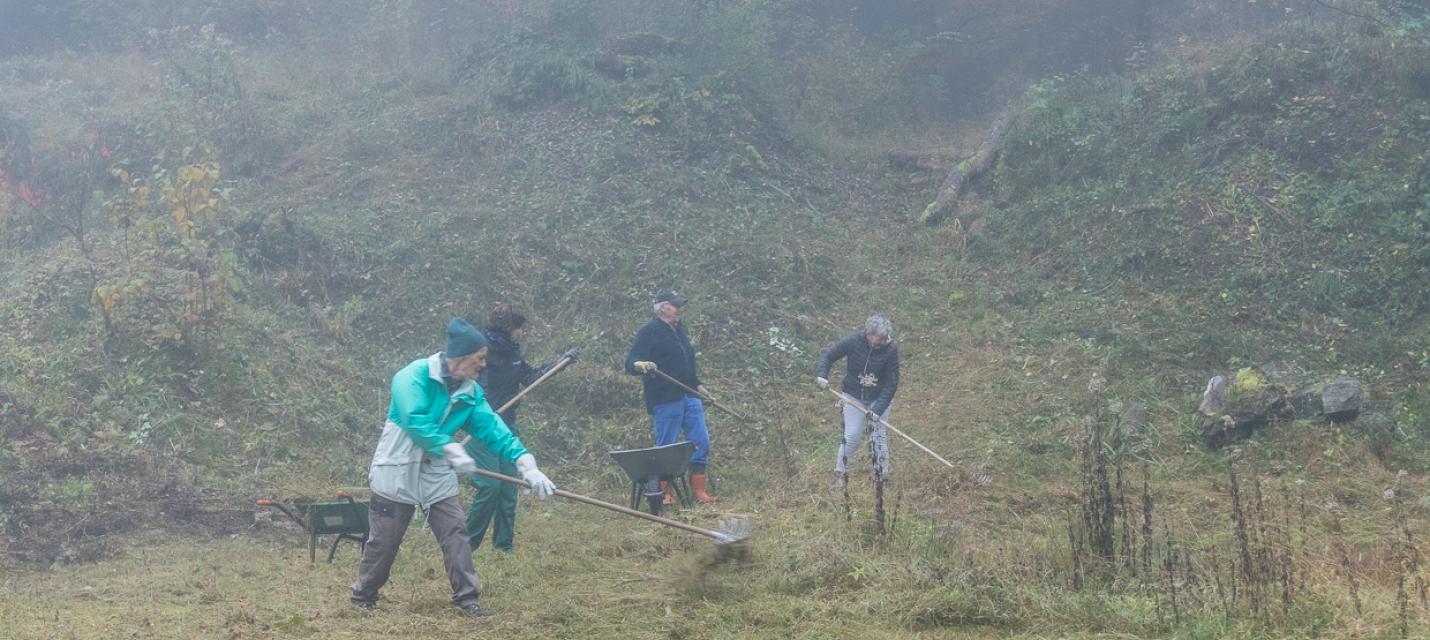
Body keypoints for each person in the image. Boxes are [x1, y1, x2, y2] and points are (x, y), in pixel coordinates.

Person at [351, 317, 557, 617]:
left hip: (436, 471)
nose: (483, 365)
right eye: (479, 358)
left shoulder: (470, 393)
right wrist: (449, 448)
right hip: (397, 466)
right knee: (384, 539)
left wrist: (526, 464)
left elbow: (494, 429)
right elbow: (414, 419)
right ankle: (363, 595)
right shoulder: (413, 376)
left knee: (455, 532)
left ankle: (467, 598)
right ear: (459, 358)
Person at [465, 303, 578, 553]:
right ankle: (465, 546)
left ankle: (503, 547)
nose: (521, 333)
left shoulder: (513, 354)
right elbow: (474, 388)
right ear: (508, 328)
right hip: (482, 429)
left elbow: (530, 377)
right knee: (489, 487)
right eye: (518, 328)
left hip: (508, 429)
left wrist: (562, 362)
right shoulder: (483, 353)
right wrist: (485, 412)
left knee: (508, 489)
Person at [624, 290, 715, 505]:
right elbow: (631, 361)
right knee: (667, 446)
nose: (679, 310)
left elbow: (687, 365)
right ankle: (663, 493)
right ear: (663, 307)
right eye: (676, 306)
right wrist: (641, 365)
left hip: (689, 394)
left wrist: (699, 387)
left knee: (701, 440)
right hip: (665, 398)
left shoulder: (679, 331)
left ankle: (699, 492)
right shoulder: (649, 331)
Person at [816, 314, 900, 491]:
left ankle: (883, 477)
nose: (881, 342)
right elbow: (828, 356)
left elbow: (892, 382)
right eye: (878, 339)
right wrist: (822, 375)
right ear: (868, 334)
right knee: (852, 435)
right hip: (853, 396)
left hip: (879, 398)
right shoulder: (853, 341)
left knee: (878, 436)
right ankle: (839, 476)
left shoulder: (890, 350)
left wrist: (878, 408)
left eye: (884, 339)